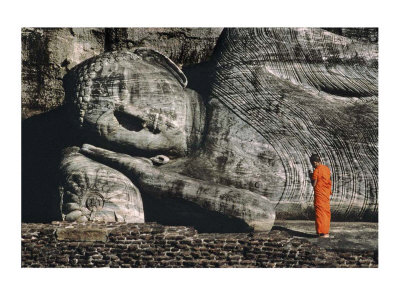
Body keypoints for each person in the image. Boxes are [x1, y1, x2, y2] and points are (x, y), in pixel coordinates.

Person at [310, 154, 332, 238]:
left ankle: (321, 233)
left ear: (315, 162)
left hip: (319, 195)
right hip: (326, 194)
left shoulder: (317, 170)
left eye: (312, 163)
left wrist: (311, 176)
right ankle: (326, 232)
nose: (313, 165)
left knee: (320, 212)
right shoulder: (326, 169)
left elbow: (314, 184)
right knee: (326, 212)